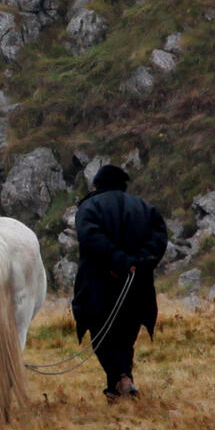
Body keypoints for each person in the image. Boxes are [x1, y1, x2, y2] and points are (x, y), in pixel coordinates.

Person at [72, 164, 168, 402]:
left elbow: (90, 237)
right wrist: (137, 263)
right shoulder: (145, 208)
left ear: (98, 185)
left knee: (102, 335)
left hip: (98, 286)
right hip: (137, 283)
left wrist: (119, 262)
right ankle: (120, 387)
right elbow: (159, 239)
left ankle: (121, 380)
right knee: (126, 336)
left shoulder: (89, 207)